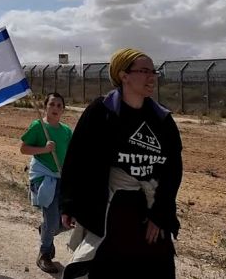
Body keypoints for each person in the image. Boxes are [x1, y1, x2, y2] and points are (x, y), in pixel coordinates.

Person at [60, 48, 183, 279]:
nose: (152, 76)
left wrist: (160, 214)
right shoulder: (102, 112)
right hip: (112, 210)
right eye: (144, 71)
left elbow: (173, 171)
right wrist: (68, 203)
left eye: (153, 71)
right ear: (123, 75)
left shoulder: (162, 119)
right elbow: (77, 158)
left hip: (149, 210)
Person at [19, 92, 72, 274]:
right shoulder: (38, 126)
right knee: (52, 218)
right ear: (45, 107)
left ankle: (46, 231)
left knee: (68, 221)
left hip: (61, 178)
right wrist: (44, 149)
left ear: (63, 109)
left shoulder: (66, 131)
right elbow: (23, 149)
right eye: (52, 104)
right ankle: (44, 255)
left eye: (59, 105)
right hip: (44, 178)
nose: (55, 108)